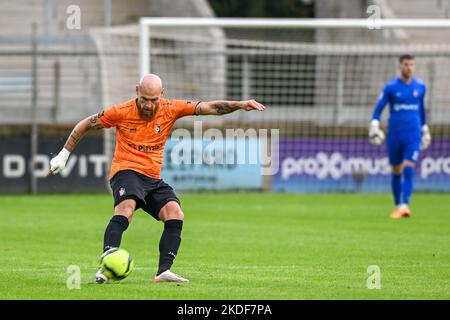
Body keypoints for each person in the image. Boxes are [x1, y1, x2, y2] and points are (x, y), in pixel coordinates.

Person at [48, 74, 265, 283]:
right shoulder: (121, 111)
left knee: (175, 213)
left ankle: (164, 271)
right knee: (126, 208)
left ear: (162, 94)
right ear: (136, 92)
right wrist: (63, 155)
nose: (149, 105)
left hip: (152, 178)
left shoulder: (171, 108)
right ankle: (106, 265)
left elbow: (211, 107)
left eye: (153, 100)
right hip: (126, 171)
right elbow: (85, 123)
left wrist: (239, 104)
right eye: (144, 100)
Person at [369, 54, 431, 219]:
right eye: (406, 64)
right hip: (395, 133)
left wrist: (425, 129)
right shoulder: (390, 87)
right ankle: (398, 205)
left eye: (412, 65)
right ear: (400, 66)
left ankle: (405, 205)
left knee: (409, 166)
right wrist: (374, 124)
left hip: (413, 133)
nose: (409, 68)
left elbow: (422, 111)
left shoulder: (420, 87)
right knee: (396, 169)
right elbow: (378, 108)